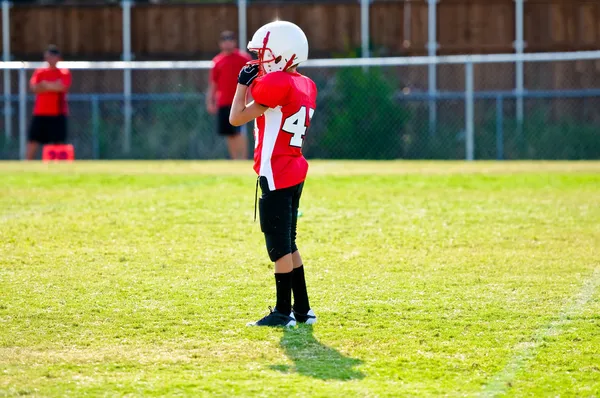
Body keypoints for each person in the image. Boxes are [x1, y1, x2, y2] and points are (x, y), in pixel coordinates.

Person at [230, 21, 317, 327]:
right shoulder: (306, 84)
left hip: (276, 172)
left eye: (265, 53)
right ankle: (303, 311)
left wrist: (242, 84)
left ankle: (283, 313)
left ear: (281, 53)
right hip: (294, 169)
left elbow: (236, 117)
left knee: (279, 246)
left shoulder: (279, 83)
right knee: (289, 242)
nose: (260, 59)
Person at [206, 31, 252, 160]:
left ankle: (243, 158)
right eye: (224, 40)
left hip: (239, 101)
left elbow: (252, 80)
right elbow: (213, 84)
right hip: (223, 102)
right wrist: (210, 101)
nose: (227, 43)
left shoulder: (244, 58)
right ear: (220, 43)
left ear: (234, 42)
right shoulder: (217, 61)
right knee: (229, 133)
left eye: (230, 40)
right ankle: (234, 159)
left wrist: (250, 97)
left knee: (240, 132)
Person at [27, 45, 72, 161]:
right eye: (48, 57)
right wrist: (52, 85)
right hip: (40, 112)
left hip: (58, 112)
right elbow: (34, 87)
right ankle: (27, 164)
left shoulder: (63, 72)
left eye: (52, 57)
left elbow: (62, 87)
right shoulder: (40, 72)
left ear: (58, 58)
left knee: (58, 141)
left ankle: (57, 166)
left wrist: (45, 85)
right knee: (33, 139)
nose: (50, 59)